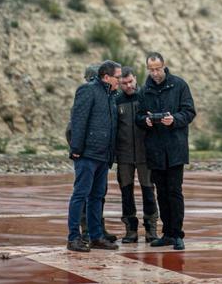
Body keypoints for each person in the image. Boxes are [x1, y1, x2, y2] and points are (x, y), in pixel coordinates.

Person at [136, 52, 196, 251]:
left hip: (175, 149)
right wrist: (144, 121)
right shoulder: (144, 91)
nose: (154, 73)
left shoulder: (179, 85)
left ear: (164, 66)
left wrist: (175, 120)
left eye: (157, 68)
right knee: (161, 193)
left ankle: (177, 234)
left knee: (174, 192)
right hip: (155, 150)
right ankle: (167, 233)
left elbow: (189, 112)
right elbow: (139, 116)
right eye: (151, 69)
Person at [67, 59, 121, 252]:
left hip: (103, 156)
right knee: (80, 195)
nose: (120, 80)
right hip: (87, 154)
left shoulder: (111, 95)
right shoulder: (88, 90)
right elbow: (78, 122)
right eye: (117, 76)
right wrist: (76, 149)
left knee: (97, 197)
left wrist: (110, 154)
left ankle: (96, 236)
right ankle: (73, 238)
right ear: (106, 77)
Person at [115, 66, 158, 243]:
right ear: (119, 83)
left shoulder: (146, 97)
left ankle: (151, 229)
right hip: (123, 156)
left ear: (135, 79)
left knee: (149, 192)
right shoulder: (116, 101)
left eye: (130, 81)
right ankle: (130, 230)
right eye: (124, 83)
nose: (128, 85)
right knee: (126, 193)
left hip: (145, 155)